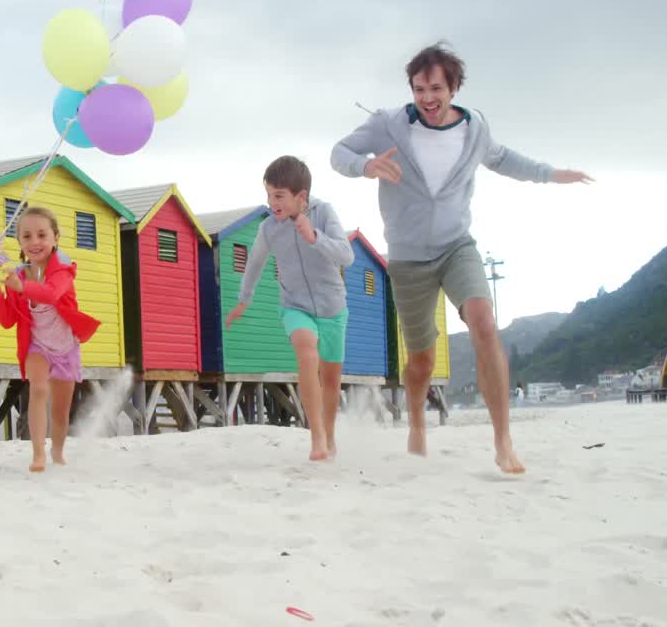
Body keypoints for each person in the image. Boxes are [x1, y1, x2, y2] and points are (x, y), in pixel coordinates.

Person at [329, 42, 593, 473]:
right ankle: (417, 422)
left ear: (454, 88)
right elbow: (339, 153)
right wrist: (367, 165)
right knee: (421, 360)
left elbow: (503, 159)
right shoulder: (388, 124)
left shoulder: (474, 129)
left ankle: (503, 441)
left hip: (456, 246)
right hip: (408, 258)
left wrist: (552, 174)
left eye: (436, 88)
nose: (427, 98)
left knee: (484, 322)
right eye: (419, 89)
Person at [226, 156, 354, 461]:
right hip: (295, 306)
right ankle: (316, 437)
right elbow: (255, 262)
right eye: (269, 195)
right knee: (306, 352)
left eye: (279, 196)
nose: (272, 203)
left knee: (331, 378)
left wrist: (315, 237)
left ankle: (330, 435)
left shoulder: (324, 213)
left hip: (333, 307)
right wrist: (244, 300)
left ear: (301, 196)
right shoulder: (269, 228)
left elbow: (347, 256)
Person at [0, 206, 100, 472]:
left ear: (55, 237)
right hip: (37, 346)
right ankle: (38, 455)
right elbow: (7, 320)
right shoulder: (18, 275)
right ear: (19, 241)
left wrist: (22, 287)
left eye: (42, 235)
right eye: (27, 236)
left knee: (60, 413)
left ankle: (57, 452)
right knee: (37, 390)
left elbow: (52, 294)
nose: (34, 242)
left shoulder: (63, 269)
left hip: (66, 348)